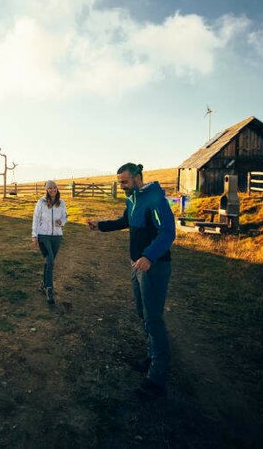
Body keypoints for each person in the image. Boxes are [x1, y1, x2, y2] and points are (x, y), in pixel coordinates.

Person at [87, 163, 175, 399]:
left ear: (137, 178)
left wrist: (149, 256)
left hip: (154, 266)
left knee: (153, 318)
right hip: (138, 266)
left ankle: (157, 379)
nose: (121, 186)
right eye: (119, 182)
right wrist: (101, 225)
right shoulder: (132, 199)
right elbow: (126, 221)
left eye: (124, 182)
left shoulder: (155, 198)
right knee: (142, 312)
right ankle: (153, 356)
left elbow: (168, 232)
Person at [32, 180, 68, 304]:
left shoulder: (61, 202)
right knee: (51, 260)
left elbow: (65, 216)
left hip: (57, 236)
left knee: (49, 261)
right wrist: (34, 236)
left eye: (54, 188)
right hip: (43, 236)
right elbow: (36, 219)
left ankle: (43, 285)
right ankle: (49, 289)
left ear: (57, 188)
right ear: (46, 190)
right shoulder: (41, 202)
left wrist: (61, 222)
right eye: (50, 188)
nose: (53, 190)